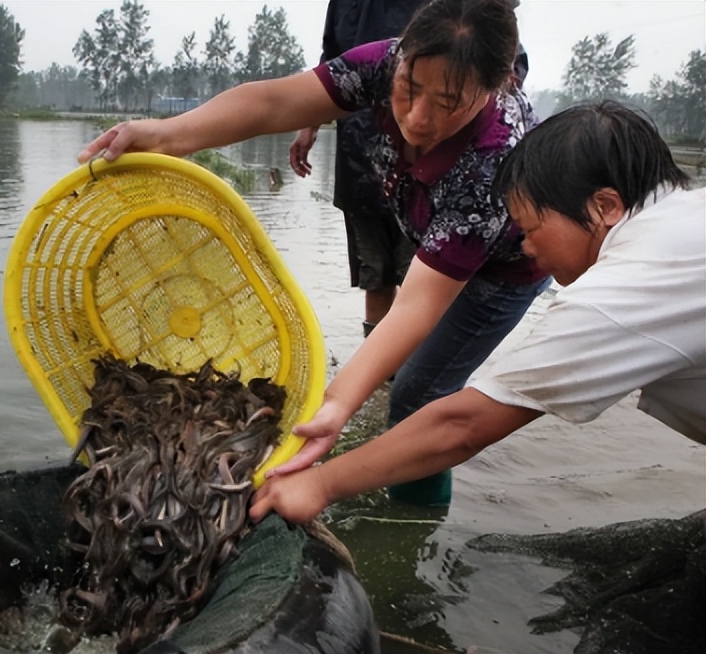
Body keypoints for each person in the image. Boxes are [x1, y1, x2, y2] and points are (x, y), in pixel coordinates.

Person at [78, 0, 549, 506]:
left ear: (494, 86)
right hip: (432, 230)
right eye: (410, 88)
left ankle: (414, 525)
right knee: (400, 372)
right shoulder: (383, 64)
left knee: (417, 395)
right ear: (403, 57)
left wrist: (336, 404)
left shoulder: (493, 160)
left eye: (448, 102)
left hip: (506, 270)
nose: (416, 116)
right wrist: (165, 135)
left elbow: (417, 305)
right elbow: (273, 103)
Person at [249, 100, 704, 524]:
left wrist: (322, 483)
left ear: (604, 206)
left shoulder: (632, 282)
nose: (525, 246)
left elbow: (464, 424)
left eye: (530, 227)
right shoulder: (684, 220)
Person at [289, 0, 427, 338]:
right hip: (360, 154)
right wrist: (310, 121)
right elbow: (332, 63)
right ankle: (378, 378)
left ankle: (414, 378)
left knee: (422, 276)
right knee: (375, 275)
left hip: (425, 158)